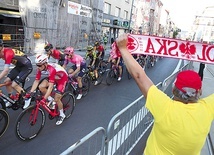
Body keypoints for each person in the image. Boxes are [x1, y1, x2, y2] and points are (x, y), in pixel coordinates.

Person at [116, 33, 214, 155]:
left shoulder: (165, 108)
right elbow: (139, 76)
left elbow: (139, 76)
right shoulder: (208, 109)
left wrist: (123, 49)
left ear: (173, 89)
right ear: (200, 91)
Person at [27, 54, 68, 125]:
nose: (38, 67)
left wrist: (44, 99)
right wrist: (31, 92)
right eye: (37, 65)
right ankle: (50, 99)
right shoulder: (40, 68)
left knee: (57, 98)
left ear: (45, 63)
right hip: (54, 77)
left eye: (39, 65)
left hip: (62, 79)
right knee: (41, 86)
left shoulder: (51, 69)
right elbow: (36, 81)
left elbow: (50, 87)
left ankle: (62, 114)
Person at [0, 39, 33, 108]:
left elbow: (6, 70)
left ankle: (27, 97)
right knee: (7, 81)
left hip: (26, 67)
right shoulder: (1, 52)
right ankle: (11, 99)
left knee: (14, 85)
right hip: (19, 66)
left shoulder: (7, 53)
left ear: (1, 48)